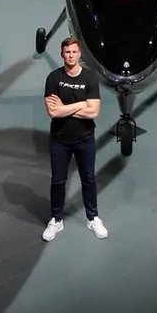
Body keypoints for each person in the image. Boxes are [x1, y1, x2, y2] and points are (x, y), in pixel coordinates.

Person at [42, 36, 108, 241]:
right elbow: (53, 112)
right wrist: (81, 104)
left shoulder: (90, 78)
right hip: (59, 140)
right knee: (58, 181)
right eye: (67, 52)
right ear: (62, 54)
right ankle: (56, 220)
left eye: (74, 52)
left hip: (84, 139)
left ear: (79, 54)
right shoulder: (53, 78)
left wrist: (65, 108)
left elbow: (93, 112)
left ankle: (93, 218)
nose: (70, 56)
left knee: (88, 179)